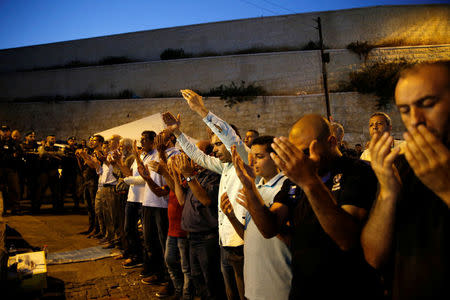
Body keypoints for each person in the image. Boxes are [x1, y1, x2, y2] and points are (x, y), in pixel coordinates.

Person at [237, 114, 381, 299]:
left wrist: (309, 181)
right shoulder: (295, 180)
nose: (300, 160)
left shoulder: (357, 171)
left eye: (305, 152)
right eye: (295, 154)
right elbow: (269, 228)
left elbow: (346, 239)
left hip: (349, 287)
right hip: (303, 288)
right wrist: (250, 188)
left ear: (331, 141)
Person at [361, 61, 450, 300]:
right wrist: (388, 194)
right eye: (405, 109)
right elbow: (374, 256)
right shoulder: (403, 165)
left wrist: (446, 188)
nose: (415, 119)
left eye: (428, 104)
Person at [164, 89, 250, 300]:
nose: (215, 150)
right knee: (229, 293)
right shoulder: (225, 167)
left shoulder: (244, 160)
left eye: (219, 144)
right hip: (225, 242)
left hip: (242, 242)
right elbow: (197, 156)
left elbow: (229, 136)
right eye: (214, 145)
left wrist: (201, 110)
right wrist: (177, 134)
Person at [221, 136, 292, 300]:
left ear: (276, 158)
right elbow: (248, 237)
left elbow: (275, 231)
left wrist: (256, 206)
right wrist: (231, 216)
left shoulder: (286, 187)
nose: (253, 162)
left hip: (278, 285)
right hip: (253, 285)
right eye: (251, 157)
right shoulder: (256, 189)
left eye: (260, 157)